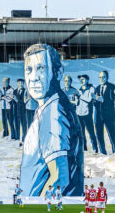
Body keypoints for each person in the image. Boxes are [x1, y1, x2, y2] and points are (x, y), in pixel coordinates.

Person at [19, 43, 84, 196]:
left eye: (41, 68)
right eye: (29, 70)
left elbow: (59, 178)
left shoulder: (53, 111)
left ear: (59, 72)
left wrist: (37, 211)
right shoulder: (48, 108)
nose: (33, 78)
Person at [93, 71, 115, 156]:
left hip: (109, 116)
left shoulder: (112, 87)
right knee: (99, 136)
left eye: (103, 77)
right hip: (98, 116)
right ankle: (103, 153)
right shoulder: (96, 88)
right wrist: (95, 100)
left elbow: (113, 100)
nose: (101, 79)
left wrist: (102, 100)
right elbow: (94, 103)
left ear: (107, 77)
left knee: (112, 136)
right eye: (100, 77)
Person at [76, 75, 97, 153]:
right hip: (79, 114)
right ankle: (84, 149)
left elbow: (89, 99)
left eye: (83, 79)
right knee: (81, 133)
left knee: (91, 132)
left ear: (87, 80)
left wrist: (80, 95)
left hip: (87, 114)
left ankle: (95, 148)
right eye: (80, 80)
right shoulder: (78, 90)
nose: (81, 81)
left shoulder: (91, 89)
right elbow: (77, 103)